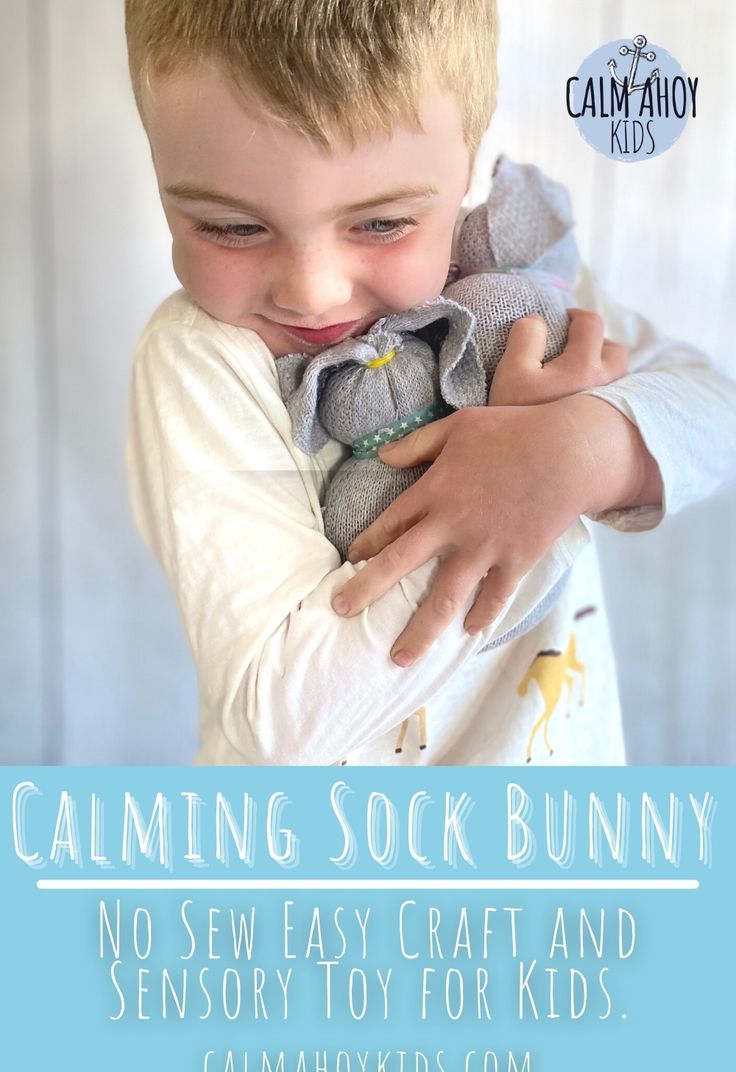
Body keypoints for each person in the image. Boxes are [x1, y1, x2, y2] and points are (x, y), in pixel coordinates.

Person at [124, 0, 736, 766]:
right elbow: (280, 720)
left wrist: (580, 450)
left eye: (381, 225)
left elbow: (714, 405)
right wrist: (513, 499)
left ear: (467, 163)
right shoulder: (204, 361)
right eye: (233, 227)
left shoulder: (518, 283)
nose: (312, 293)